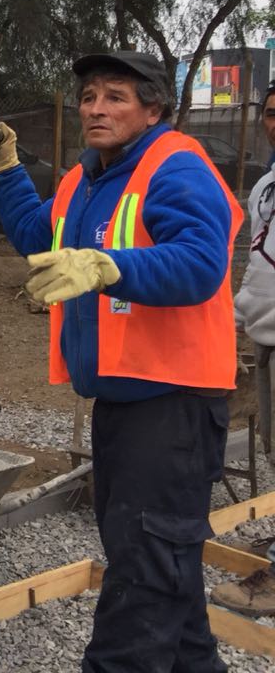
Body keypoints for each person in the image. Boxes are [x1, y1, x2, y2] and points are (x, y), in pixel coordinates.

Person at [0, 51, 242, 672]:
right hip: (124, 403)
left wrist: (107, 265)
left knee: (142, 582)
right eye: (89, 95)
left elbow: (203, 263)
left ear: (154, 107)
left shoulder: (176, 165)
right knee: (162, 572)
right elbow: (40, 238)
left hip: (173, 406)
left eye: (116, 96)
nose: (96, 107)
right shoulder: (86, 178)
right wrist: (8, 170)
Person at [211, 81, 275, 617]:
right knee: (274, 446)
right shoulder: (264, 188)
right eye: (271, 113)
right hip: (265, 336)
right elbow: (258, 267)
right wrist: (232, 316)